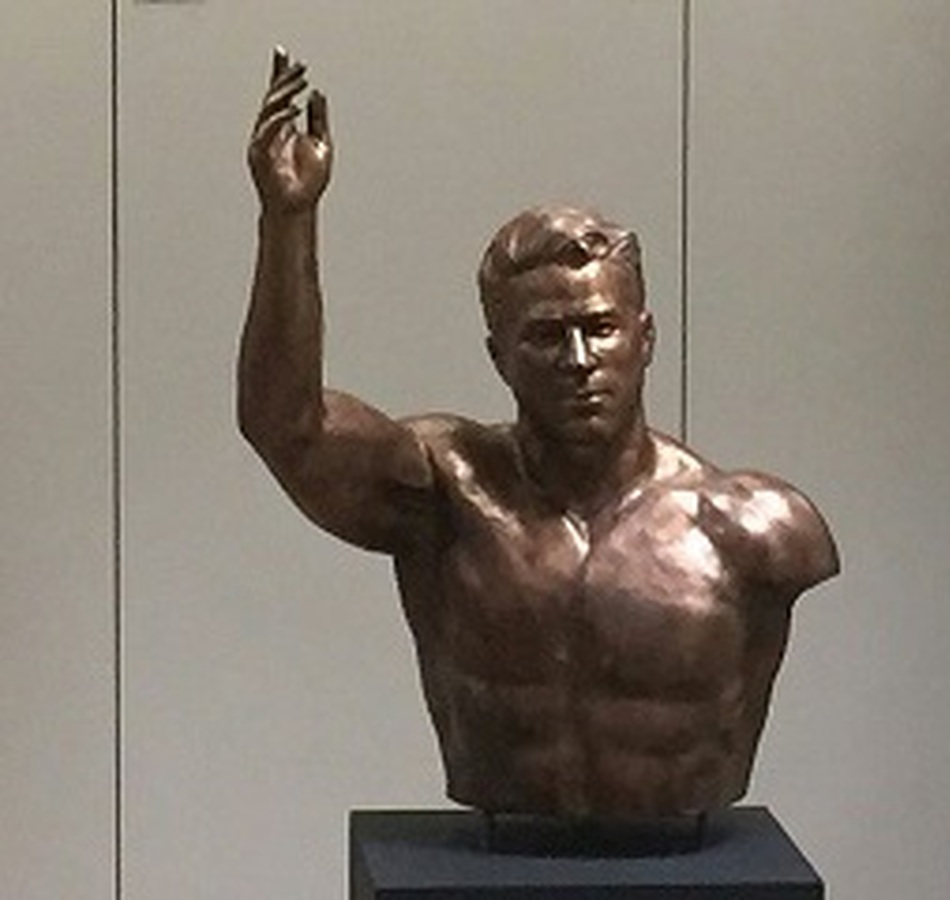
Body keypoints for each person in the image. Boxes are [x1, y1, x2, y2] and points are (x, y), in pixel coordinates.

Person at [239, 49, 839, 819]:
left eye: (601, 329)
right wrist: (288, 220)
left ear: (646, 339)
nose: (579, 360)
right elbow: (285, 425)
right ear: (500, 356)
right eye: (548, 336)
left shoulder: (758, 530)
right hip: (497, 850)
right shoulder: (447, 491)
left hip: (686, 860)